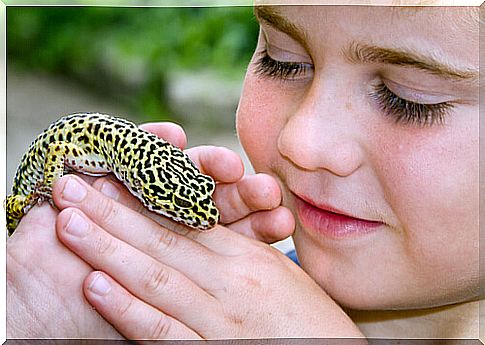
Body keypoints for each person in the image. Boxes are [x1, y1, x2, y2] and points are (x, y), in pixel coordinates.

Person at [6, 3, 480, 340]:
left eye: (408, 99)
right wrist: (31, 320)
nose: (302, 142)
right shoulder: (191, 311)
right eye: (282, 59)